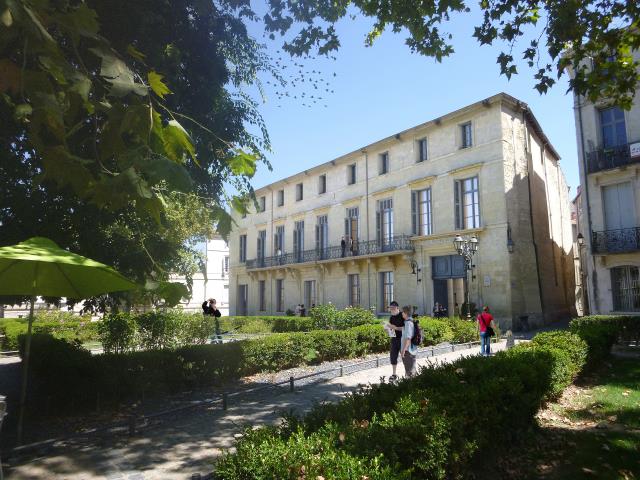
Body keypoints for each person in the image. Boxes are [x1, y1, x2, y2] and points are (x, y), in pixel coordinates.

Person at [384, 301, 404, 381]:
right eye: (390, 308)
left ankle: (408, 373)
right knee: (393, 356)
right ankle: (394, 374)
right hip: (394, 339)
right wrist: (387, 329)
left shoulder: (403, 315)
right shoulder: (391, 317)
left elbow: (406, 328)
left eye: (393, 308)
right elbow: (392, 330)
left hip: (403, 339)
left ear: (397, 308)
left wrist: (395, 328)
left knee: (405, 357)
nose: (391, 310)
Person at [400, 305, 418, 377]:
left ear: (406, 313)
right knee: (410, 369)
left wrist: (403, 350)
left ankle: (411, 386)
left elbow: (408, 338)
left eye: (402, 312)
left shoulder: (408, 323)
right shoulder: (409, 322)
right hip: (411, 350)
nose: (402, 314)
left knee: (410, 371)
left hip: (408, 351)